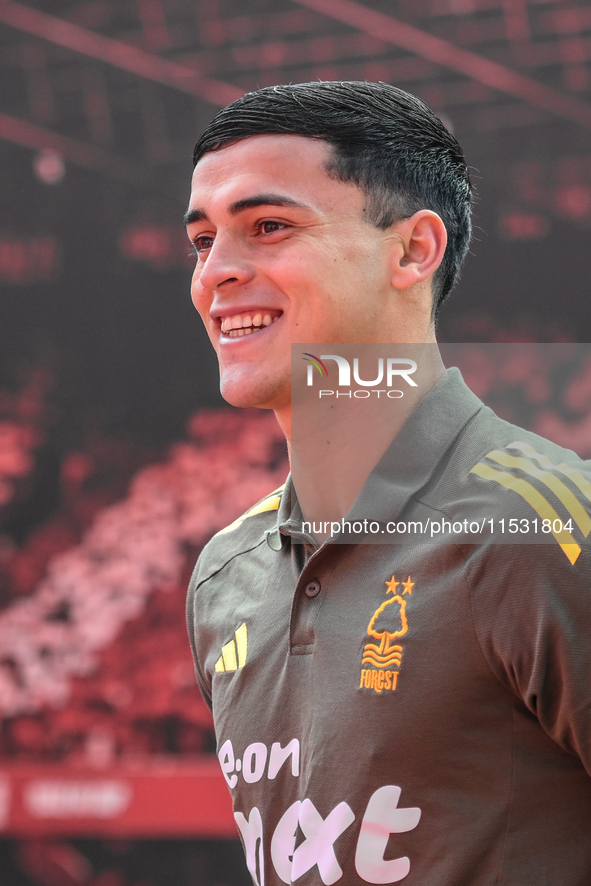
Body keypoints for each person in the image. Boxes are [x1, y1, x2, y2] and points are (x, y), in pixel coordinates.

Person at [185, 82, 591, 885]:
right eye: (201, 241)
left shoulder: (536, 524)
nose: (217, 273)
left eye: (268, 227)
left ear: (412, 251)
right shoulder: (223, 575)